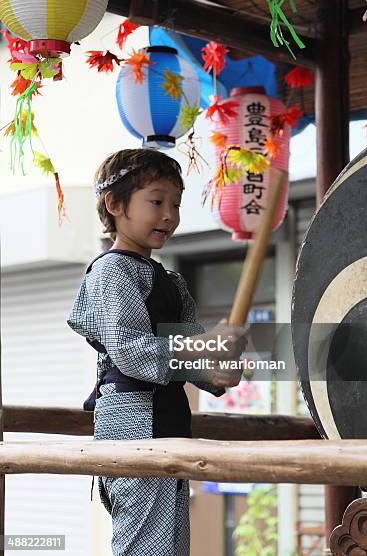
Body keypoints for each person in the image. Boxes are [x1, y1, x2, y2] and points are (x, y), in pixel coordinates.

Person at [67, 148, 248, 556]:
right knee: (147, 542)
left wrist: (216, 371)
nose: (169, 214)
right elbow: (130, 351)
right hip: (130, 422)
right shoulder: (111, 270)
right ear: (114, 205)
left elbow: (190, 355)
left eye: (176, 204)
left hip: (168, 418)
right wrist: (204, 346)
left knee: (170, 540)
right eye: (156, 201)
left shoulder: (171, 280)